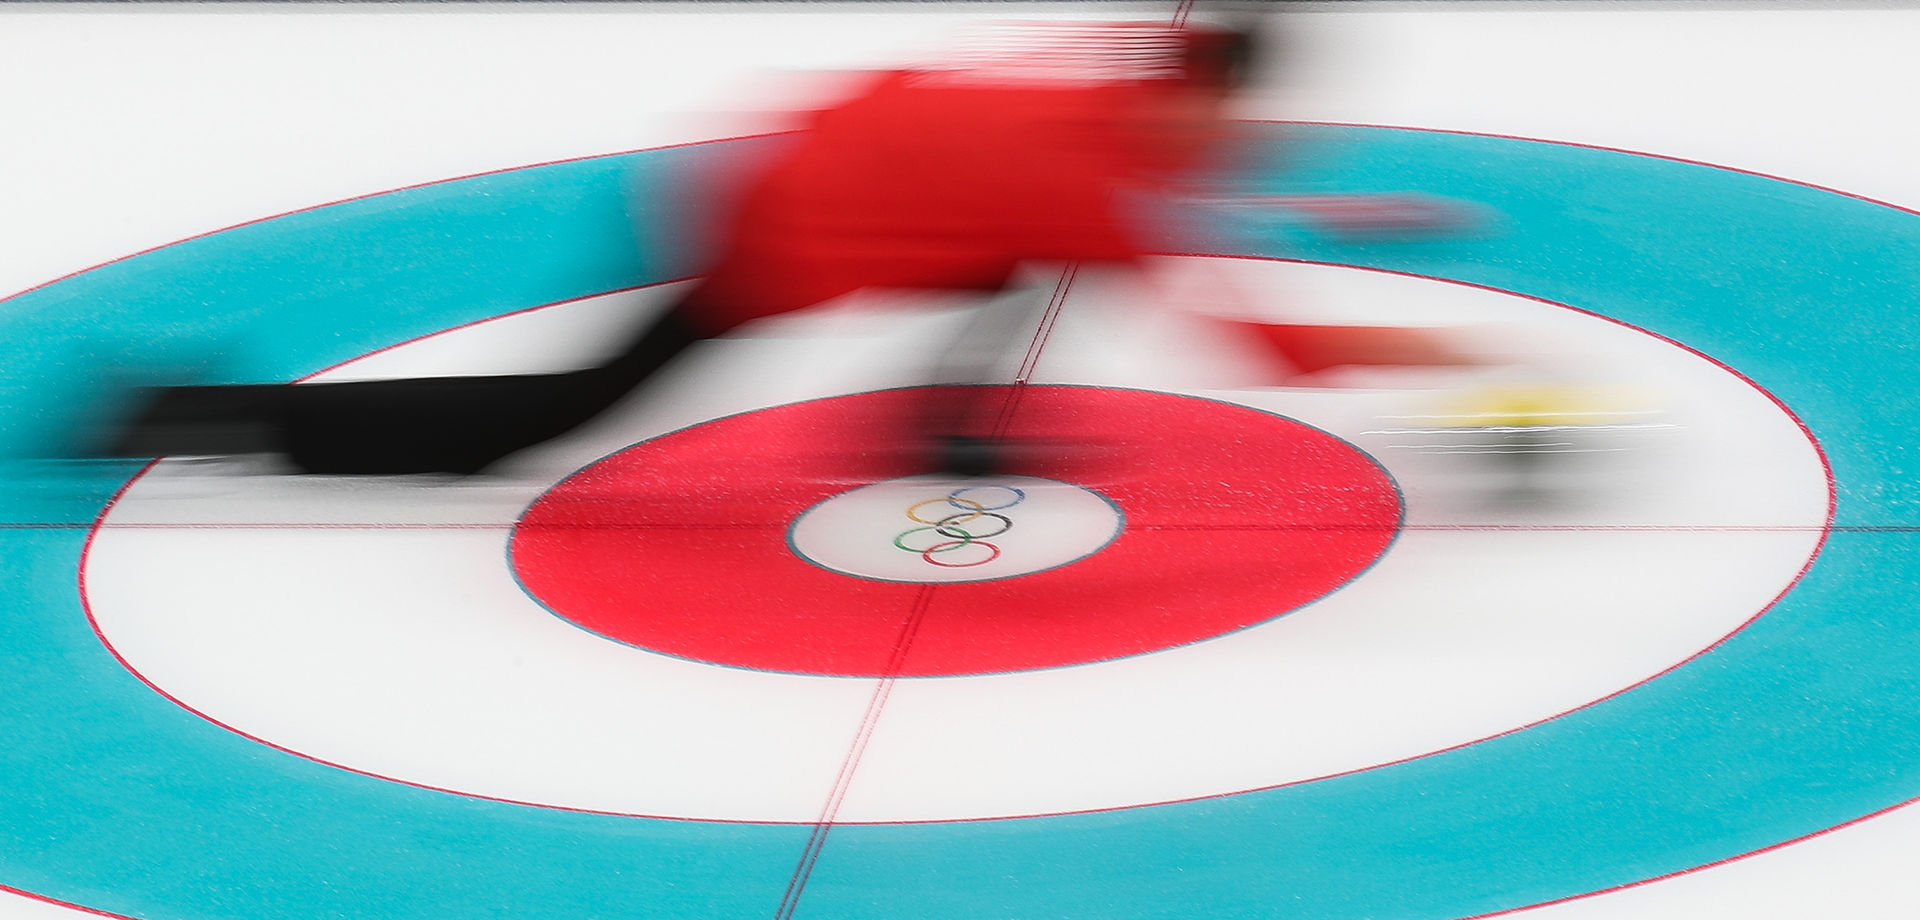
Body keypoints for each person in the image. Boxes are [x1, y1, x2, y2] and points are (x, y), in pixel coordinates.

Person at [108, 20, 1463, 477]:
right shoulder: (1091, 178)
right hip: (773, 233)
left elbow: (1161, 184)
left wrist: (1339, 219)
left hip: (793, 175)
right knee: (544, 422)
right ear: (1202, 96)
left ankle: (937, 424)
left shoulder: (1114, 105)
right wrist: (1426, 346)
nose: (1230, 137)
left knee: (1021, 257)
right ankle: (192, 415)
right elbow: (1257, 340)